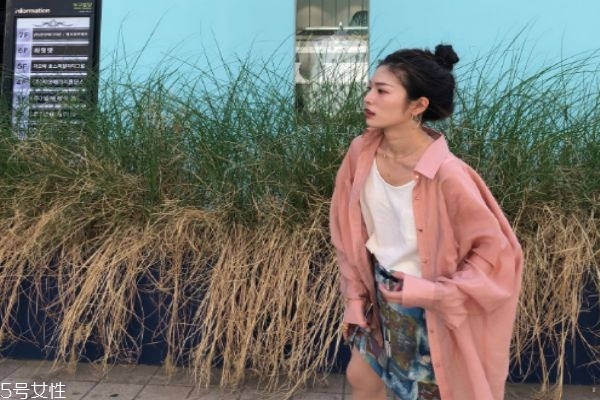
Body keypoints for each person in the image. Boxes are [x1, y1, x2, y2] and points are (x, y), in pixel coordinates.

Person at [329, 44, 523, 400]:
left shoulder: (449, 175)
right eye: (370, 88)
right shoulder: (361, 152)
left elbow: (497, 254)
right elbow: (346, 229)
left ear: (417, 106)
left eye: (382, 91)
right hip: (379, 292)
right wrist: (354, 298)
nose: (368, 98)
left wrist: (435, 294)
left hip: (429, 308)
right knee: (362, 377)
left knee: (426, 393)